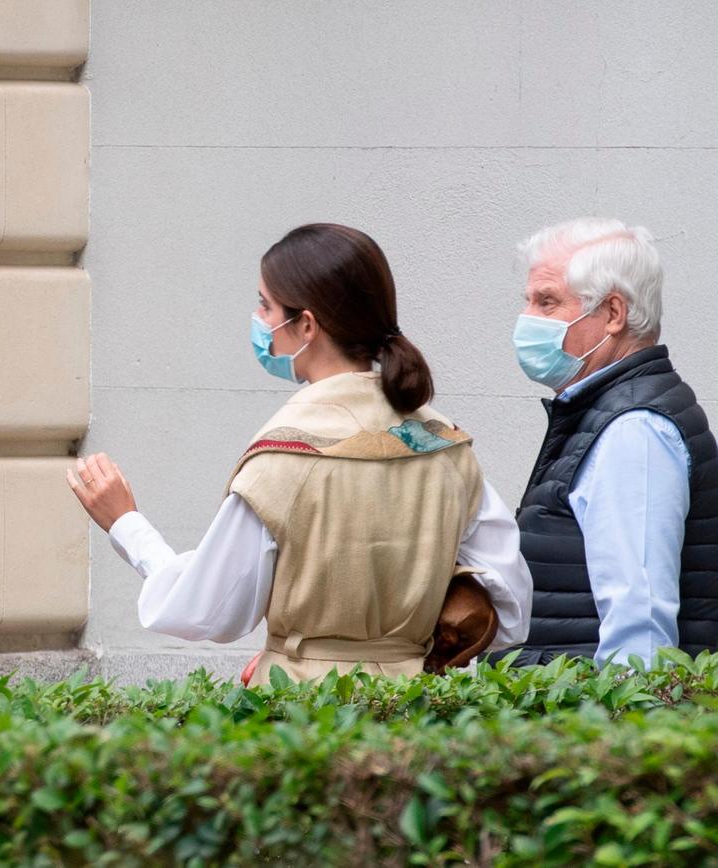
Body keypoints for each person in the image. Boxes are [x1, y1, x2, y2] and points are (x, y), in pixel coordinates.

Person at [68, 223, 532, 683]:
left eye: (266, 305)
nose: (260, 319)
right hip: (417, 707)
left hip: (305, 712)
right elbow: (510, 606)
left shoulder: (284, 457)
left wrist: (127, 525)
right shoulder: (446, 448)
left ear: (306, 324)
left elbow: (204, 609)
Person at [492, 218, 718, 667]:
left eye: (547, 301)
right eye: (528, 301)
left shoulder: (635, 429)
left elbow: (641, 630)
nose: (528, 319)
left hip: (597, 725)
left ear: (614, 313)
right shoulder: (602, 413)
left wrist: (621, 734)